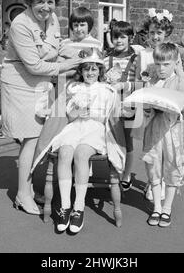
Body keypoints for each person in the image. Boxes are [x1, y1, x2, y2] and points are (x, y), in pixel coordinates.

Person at [1, 0, 81, 215]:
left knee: (40, 135)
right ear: (29, 2)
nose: (45, 8)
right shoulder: (20, 25)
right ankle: (22, 194)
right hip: (21, 84)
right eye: (40, 2)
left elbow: (56, 47)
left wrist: (73, 54)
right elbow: (34, 65)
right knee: (31, 138)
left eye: (50, 2)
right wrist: (66, 65)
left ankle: (27, 187)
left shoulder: (53, 19)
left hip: (42, 83)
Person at [31, 49, 125, 234]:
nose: (90, 73)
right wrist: (76, 114)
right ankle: (65, 206)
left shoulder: (107, 91)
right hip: (74, 127)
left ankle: (78, 207)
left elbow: (111, 119)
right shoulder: (73, 88)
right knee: (65, 152)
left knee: (81, 154)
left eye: (94, 69)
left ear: (100, 71)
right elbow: (68, 115)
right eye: (86, 69)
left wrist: (94, 116)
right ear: (81, 71)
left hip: (95, 129)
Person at [137, 43, 184, 227]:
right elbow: (145, 106)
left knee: (172, 167)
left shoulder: (178, 80)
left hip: (172, 132)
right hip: (153, 130)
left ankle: (167, 208)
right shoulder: (152, 81)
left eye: (166, 64)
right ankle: (157, 207)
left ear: (175, 63)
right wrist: (148, 106)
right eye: (158, 64)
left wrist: (181, 73)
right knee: (154, 168)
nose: (161, 68)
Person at [103, 21, 141, 191]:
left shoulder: (136, 59)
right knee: (111, 139)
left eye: (122, 37)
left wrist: (125, 86)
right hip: (110, 106)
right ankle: (115, 170)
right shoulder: (106, 59)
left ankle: (126, 174)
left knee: (127, 141)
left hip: (129, 105)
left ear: (129, 38)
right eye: (115, 37)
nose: (118, 40)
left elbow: (140, 83)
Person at [57, 6, 102, 77]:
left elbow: (96, 65)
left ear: (89, 25)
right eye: (75, 25)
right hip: (67, 82)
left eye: (82, 25)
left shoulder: (96, 44)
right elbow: (60, 63)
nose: (78, 29)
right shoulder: (65, 43)